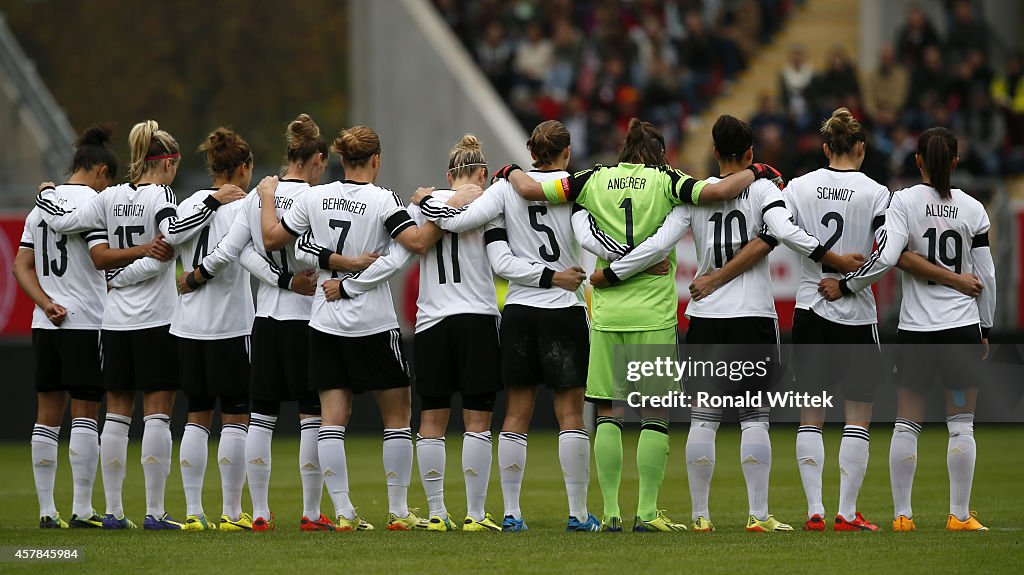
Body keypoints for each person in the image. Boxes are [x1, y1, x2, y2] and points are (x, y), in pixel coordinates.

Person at [499, 118, 784, 532]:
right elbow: (721, 190)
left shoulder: (593, 178)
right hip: (653, 312)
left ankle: (612, 511)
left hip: (609, 312)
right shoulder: (669, 180)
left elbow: (530, 189)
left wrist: (509, 171)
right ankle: (647, 512)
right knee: (654, 413)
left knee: (609, 411)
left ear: (624, 149)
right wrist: (758, 171)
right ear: (660, 153)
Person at [589, 115, 864, 533]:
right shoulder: (764, 188)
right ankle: (757, 515)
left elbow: (657, 244)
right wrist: (835, 259)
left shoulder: (694, 197)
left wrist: (613, 272)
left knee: (703, 418)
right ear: (751, 154)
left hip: (704, 318)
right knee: (755, 417)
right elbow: (784, 232)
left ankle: (700, 516)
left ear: (715, 153)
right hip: (752, 315)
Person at [412, 120, 636, 532]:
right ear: (566, 153)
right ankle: (577, 513)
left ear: (531, 152)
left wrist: (427, 202)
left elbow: (470, 232)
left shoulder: (503, 189)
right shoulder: (576, 188)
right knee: (570, 414)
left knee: (515, 414)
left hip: (519, 312)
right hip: (563, 309)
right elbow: (594, 241)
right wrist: (632, 259)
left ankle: (512, 513)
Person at [35, 120, 246, 530]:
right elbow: (173, 235)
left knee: (115, 415)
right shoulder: (160, 195)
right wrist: (213, 202)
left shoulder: (110, 196)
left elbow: (61, 220)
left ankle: (113, 511)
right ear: (166, 162)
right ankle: (153, 512)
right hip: (156, 318)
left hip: (113, 321)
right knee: (157, 415)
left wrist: (45, 194)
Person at [782, 110, 983, 532]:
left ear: (824, 149)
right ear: (861, 148)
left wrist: (823, 259)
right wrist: (850, 280)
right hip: (855, 315)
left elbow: (778, 228)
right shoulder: (876, 193)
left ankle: (814, 510)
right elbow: (887, 254)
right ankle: (847, 511)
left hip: (809, 306)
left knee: (810, 415)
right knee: (859, 415)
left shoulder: (799, 187)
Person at [257, 125, 441, 531]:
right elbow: (410, 246)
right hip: (372, 322)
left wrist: (335, 263)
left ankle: (343, 512)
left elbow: (292, 244)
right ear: (376, 160)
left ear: (341, 160)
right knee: (397, 416)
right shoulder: (383, 200)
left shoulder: (316, 196)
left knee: (332, 418)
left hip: (324, 320)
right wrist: (444, 210)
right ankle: (396, 511)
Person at [180, 114, 353, 532]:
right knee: (312, 416)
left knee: (261, 417)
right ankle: (311, 513)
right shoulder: (319, 197)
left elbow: (236, 252)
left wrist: (201, 276)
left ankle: (257, 512)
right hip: (307, 319)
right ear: (316, 159)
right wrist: (297, 278)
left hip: (266, 319)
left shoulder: (259, 197)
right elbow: (318, 254)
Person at [15, 125, 161, 528]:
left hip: (45, 322)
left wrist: (46, 303)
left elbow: (20, 266)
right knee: (84, 413)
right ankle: (82, 508)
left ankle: (47, 511)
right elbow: (102, 256)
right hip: (87, 321)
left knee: (45, 415)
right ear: (101, 172)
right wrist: (145, 250)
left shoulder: (39, 208)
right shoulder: (95, 205)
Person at [171, 128, 284, 532]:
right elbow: (250, 257)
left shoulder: (188, 203)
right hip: (231, 327)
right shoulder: (244, 208)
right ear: (242, 168)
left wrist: (189, 277)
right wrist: (282, 281)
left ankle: (193, 512)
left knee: (196, 419)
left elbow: (169, 240)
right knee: (236, 419)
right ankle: (232, 513)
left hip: (187, 327)